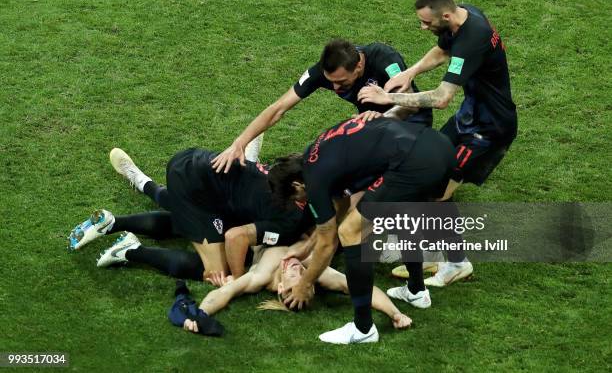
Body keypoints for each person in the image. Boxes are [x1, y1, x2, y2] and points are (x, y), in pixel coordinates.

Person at [267, 116, 471, 344]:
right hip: (438, 146)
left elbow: (328, 243)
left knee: (350, 232)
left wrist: (305, 284)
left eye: (295, 198)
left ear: (297, 185)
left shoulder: (314, 181)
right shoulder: (315, 156)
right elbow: (341, 205)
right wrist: (306, 248)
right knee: (400, 213)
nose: (300, 202)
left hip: (413, 163)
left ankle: (363, 329)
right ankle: (416, 292)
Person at [358, 0, 517, 204]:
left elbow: (441, 98)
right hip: (469, 116)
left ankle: (442, 235)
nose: (423, 27)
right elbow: (443, 51)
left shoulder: (472, 39)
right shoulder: (463, 15)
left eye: (427, 22)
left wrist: (388, 98)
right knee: (432, 163)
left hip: (489, 129)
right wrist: (409, 73)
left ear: (445, 15)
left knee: (437, 193)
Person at [68, 147, 312, 281]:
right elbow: (236, 237)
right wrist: (238, 280)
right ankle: (130, 251)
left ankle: (116, 216)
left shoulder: (285, 175)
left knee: (187, 214)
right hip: (195, 186)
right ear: (298, 187)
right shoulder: (290, 217)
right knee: (217, 271)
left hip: (195, 162)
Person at [212, 38, 432, 173]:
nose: (335, 88)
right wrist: (239, 142)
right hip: (369, 129)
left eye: (342, 82)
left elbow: (411, 104)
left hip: (411, 127)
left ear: (358, 66)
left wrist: (380, 119)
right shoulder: (322, 72)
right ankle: (255, 166)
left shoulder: (385, 60)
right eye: (331, 82)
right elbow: (278, 108)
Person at [179, 241, 412, 341]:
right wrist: (395, 314)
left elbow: (224, 293)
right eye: (303, 280)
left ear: (280, 288)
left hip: (264, 219)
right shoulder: (317, 274)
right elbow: (363, 288)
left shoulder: (263, 275)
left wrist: (199, 315)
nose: (299, 271)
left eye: (295, 279)